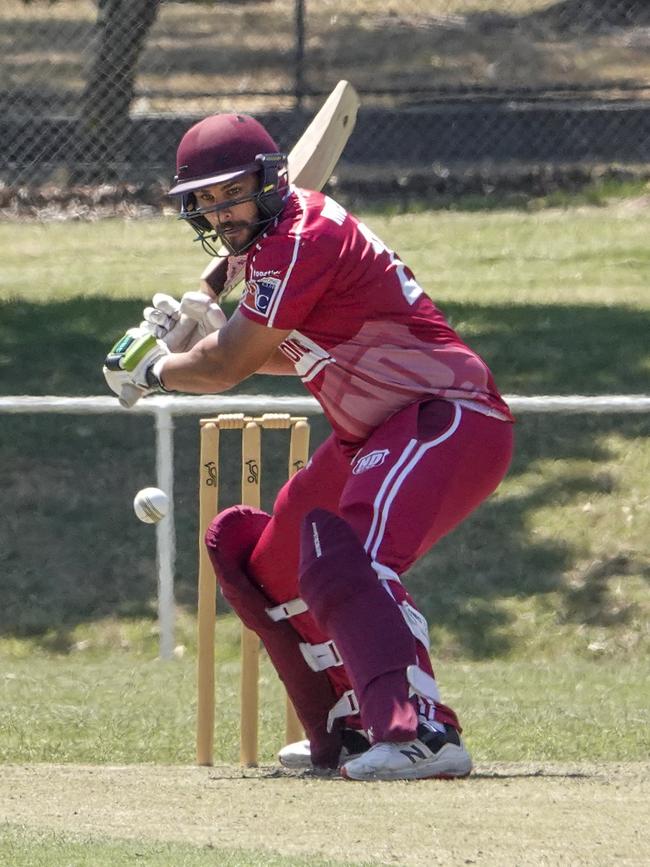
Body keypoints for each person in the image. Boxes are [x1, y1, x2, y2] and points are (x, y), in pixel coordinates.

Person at [103, 113, 514, 781]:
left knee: (357, 557)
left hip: (443, 414)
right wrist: (210, 333)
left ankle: (424, 733)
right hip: (375, 428)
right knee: (273, 562)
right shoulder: (266, 248)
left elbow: (228, 367)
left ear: (268, 181)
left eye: (229, 192)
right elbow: (292, 351)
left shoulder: (300, 238)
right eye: (204, 199)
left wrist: (156, 371)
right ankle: (353, 724)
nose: (218, 210)